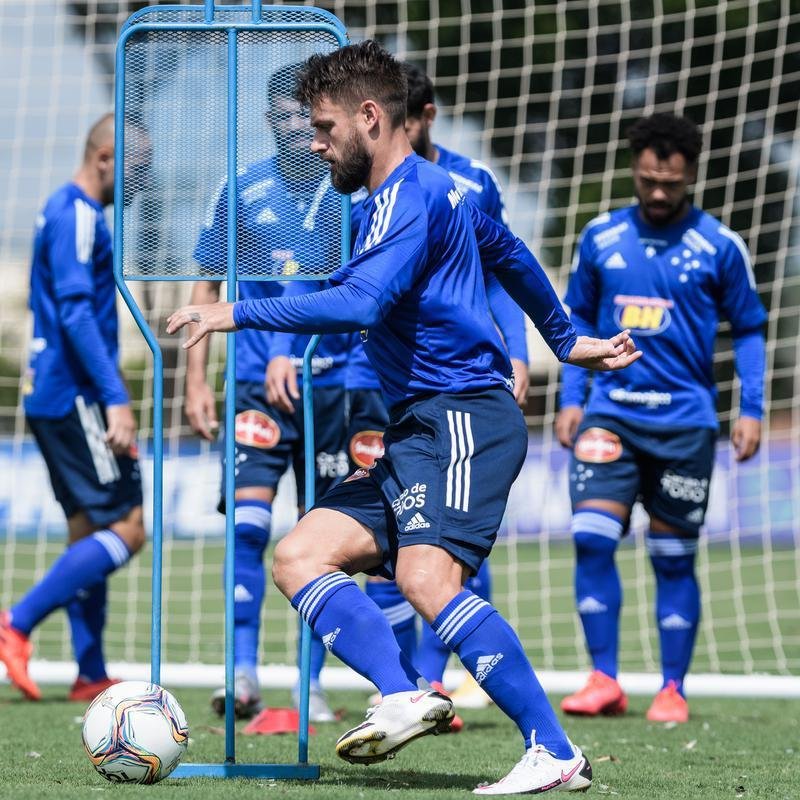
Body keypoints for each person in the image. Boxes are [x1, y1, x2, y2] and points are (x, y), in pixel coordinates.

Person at [167, 41, 640, 795]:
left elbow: (360, 302)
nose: (316, 142)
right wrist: (564, 338)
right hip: (421, 426)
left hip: (461, 417)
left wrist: (229, 312)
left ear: (369, 116)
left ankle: (552, 750)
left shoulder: (408, 201)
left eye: (324, 127)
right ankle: (403, 693)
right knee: (299, 555)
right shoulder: (433, 190)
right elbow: (510, 252)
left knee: (424, 577)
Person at [555, 112, 767, 724]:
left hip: (686, 424)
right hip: (609, 416)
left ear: (691, 176)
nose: (656, 192)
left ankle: (672, 687)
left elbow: (750, 328)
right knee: (590, 540)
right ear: (635, 169)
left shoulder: (721, 246)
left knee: (672, 558)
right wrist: (572, 397)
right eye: (647, 179)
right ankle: (602, 679)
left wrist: (749, 409)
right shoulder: (599, 237)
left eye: (669, 184)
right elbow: (576, 322)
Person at [350, 61, 530, 715]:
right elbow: (354, 288)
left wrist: (522, 352)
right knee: (388, 546)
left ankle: (428, 680)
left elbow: (502, 263)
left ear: (424, 118)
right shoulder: (365, 190)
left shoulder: (466, 182)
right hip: (392, 385)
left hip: (457, 384)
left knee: (439, 554)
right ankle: (401, 684)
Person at [185, 63, 349, 723]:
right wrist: (195, 380)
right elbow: (206, 286)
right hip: (252, 384)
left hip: (332, 385)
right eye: (280, 114)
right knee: (248, 528)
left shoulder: (347, 187)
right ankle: (243, 672)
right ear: (265, 120)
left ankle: (310, 686)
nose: (291, 125)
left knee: (321, 541)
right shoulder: (240, 186)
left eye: (301, 115)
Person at [0, 113, 151, 703]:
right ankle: (16, 622)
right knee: (128, 528)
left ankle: (89, 671)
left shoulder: (59, 208)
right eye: (137, 167)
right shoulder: (79, 216)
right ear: (105, 157)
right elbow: (75, 311)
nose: (141, 181)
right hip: (76, 394)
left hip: (54, 394)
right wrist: (115, 397)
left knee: (87, 530)